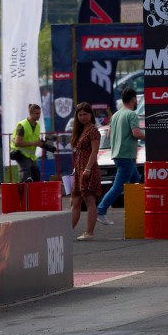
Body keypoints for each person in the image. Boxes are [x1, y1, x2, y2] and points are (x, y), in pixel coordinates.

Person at [96, 87, 144, 225]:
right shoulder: (131, 115)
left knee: (136, 180)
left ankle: (139, 208)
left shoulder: (116, 115)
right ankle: (101, 210)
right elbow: (136, 133)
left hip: (117, 154)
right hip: (127, 155)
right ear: (134, 99)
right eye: (136, 100)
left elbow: (110, 135)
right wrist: (148, 138)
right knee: (118, 186)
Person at [70, 102, 102, 240]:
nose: (83, 117)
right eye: (80, 114)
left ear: (91, 115)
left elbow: (95, 151)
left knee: (89, 201)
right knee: (75, 202)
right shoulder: (80, 130)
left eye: (85, 114)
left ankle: (90, 232)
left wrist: (88, 169)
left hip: (88, 169)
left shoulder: (93, 130)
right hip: (79, 169)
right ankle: (66, 231)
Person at [11, 103, 44, 182]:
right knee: (26, 174)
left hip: (31, 156)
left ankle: (34, 193)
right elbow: (17, 143)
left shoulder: (37, 126)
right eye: (36, 113)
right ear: (30, 113)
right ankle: (22, 192)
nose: (39, 115)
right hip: (20, 153)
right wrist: (34, 143)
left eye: (39, 113)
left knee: (36, 174)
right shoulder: (22, 125)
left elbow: (34, 139)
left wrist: (41, 142)